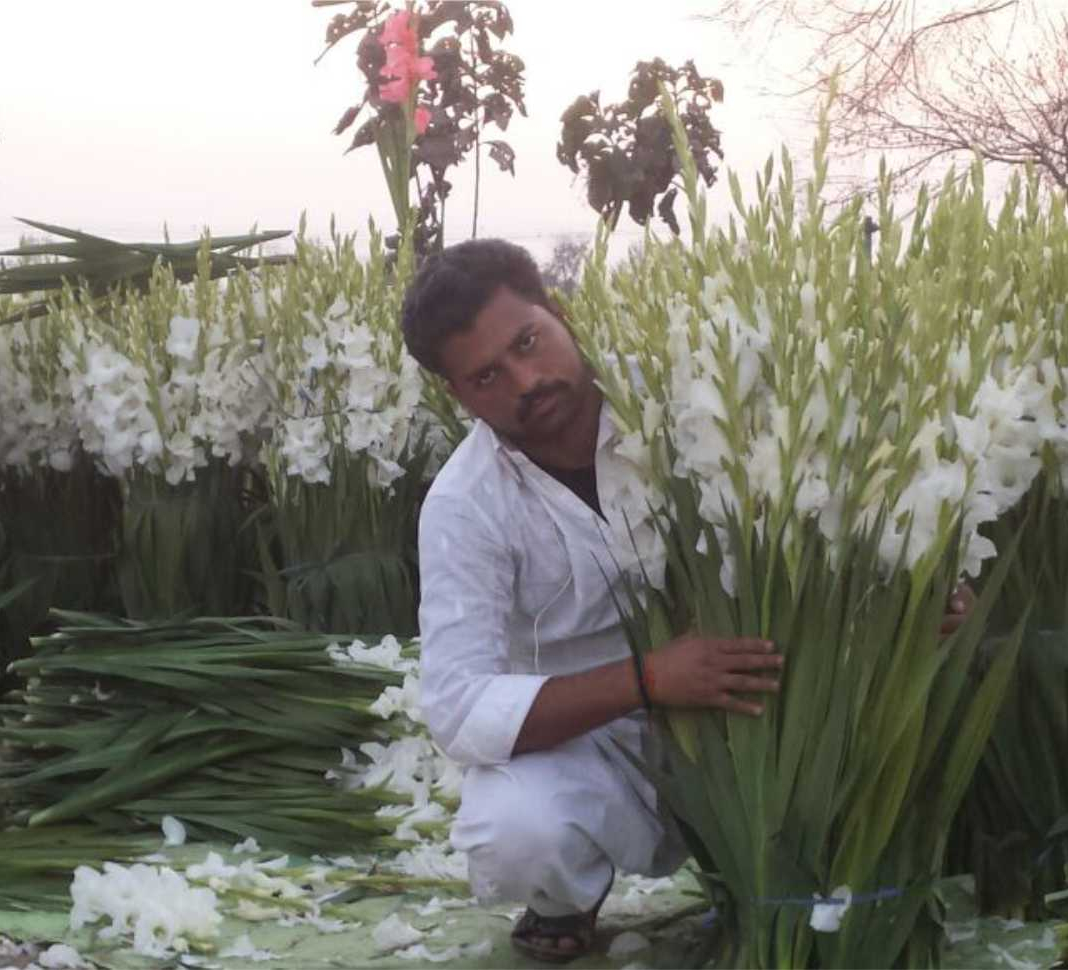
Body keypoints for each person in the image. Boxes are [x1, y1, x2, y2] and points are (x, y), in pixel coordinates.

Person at [401, 239, 976, 963]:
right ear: (458, 395)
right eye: (487, 375)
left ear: (562, 313)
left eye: (529, 341)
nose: (526, 379)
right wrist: (649, 679)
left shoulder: (687, 400)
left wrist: (914, 590)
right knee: (512, 833)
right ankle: (564, 895)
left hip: (769, 708)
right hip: (603, 744)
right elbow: (458, 708)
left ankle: (791, 885)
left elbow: (824, 509)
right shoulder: (464, 503)